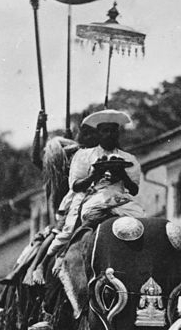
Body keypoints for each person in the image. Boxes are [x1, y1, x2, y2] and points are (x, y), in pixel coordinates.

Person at [46, 109, 143, 259]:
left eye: (113, 131)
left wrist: (122, 175)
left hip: (121, 200)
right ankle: (50, 260)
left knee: (141, 223)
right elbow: (76, 185)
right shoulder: (84, 156)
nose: (109, 134)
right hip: (94, 198)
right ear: (98, 134)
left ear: (118, 133)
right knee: (71, 230)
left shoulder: (129, 158)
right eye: (105, 131)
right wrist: (94, 175)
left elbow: (134, 190)